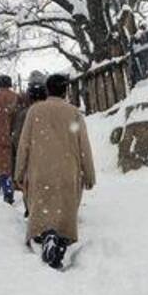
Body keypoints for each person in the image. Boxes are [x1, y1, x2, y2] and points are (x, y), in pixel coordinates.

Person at [12, 74, 97, 269]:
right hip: (68, 171)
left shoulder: (34, 111)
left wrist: (19, 172)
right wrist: (89, 174)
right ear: (65, 91)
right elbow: (84, 146)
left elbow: (24, 144)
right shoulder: (74, 113)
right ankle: (59, 240)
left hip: (40, 172)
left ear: (48, 90)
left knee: (42, 213)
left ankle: (46, 236)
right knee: (64, 215)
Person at [0, 75, 21, 204]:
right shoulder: (17, 98)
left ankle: (8, 191)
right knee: (18, 163)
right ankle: (22, 189)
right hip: (17, 136)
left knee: (3, 166)